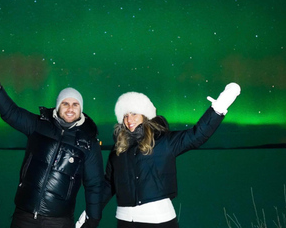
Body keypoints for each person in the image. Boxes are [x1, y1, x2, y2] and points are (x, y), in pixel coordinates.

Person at [0, 55, 104, 228]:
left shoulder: (88, 142)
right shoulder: (38, 125)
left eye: (75, 104)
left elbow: (95, 184)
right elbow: (10, 113)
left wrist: (93, 219)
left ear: (81, 109)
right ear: (58, 106)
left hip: (59, 220)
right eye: (65, 103)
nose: (70, 108)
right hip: (24, 216)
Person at [100, 83, 241, 228]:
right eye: (125, 115)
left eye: (134, 114)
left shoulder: (163, 142)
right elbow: (108, 184)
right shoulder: (118, 150)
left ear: (144, 115)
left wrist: (219, 106)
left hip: (158, 220)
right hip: (124, 221)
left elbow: (197, 135)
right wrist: (89, 213)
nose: (129, 120)